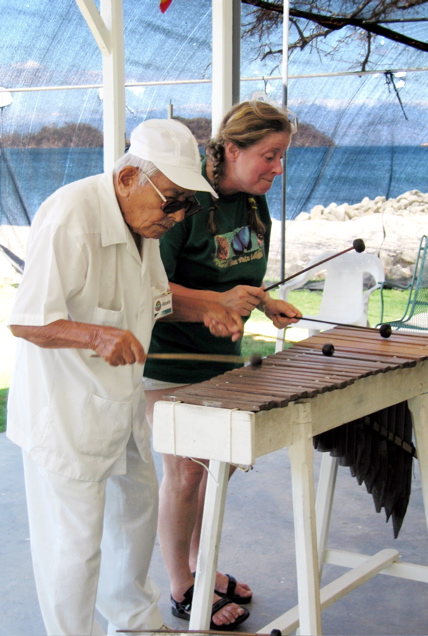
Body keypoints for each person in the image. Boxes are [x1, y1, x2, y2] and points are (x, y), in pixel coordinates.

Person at [6, 118, 248, 636]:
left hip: (122, 408)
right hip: (66, 417)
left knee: (135, 522)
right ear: (126, 178)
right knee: (74, 551)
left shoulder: (147, 226)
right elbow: (27, 318)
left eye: (189, 204)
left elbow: (157, 302)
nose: (179, 215)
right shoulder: (70, 216)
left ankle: (137, 624)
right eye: (173, 200)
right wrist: (95, 336)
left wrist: (207, 310)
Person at [143, 101, 301, 626]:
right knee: (185, 472)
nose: (278, 168)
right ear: (231, 150)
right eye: (269, 155)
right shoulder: (182, 202)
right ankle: (181, 586)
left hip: (221, 363)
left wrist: (262, 300)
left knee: (217, 468)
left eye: (282, 156)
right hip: (167, 362)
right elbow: (149, 288)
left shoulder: (256, 205)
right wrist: (212, 305)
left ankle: (201, 566)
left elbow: (235, 277)